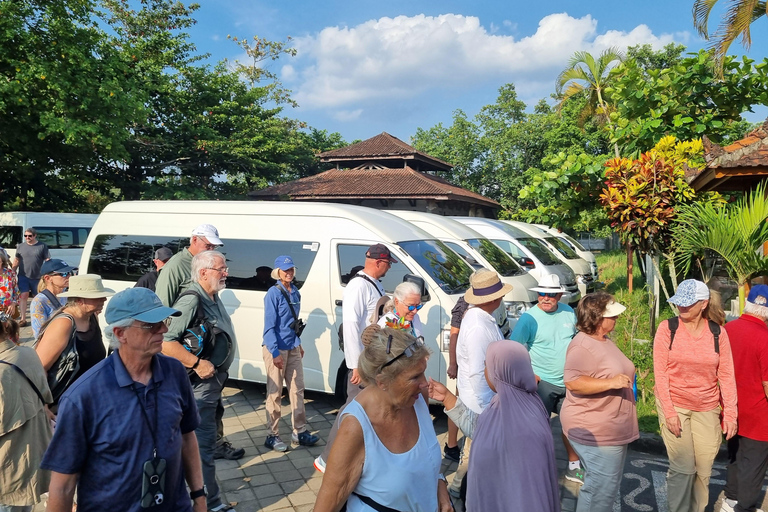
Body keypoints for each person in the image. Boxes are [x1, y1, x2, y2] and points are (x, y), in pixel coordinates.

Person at [40, 287, 206, 512]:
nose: (164, 329)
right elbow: (63, 487)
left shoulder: (175, 372)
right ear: (120, 334)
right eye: (151, 325)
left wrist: (199, 496)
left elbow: (187, 436)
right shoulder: (83, 396)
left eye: (164, 320)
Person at [314, 327, 452, 512]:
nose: (425, 383)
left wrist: (441, 489)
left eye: (423, 372)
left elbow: (425, 461)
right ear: (382, 381)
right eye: (414, 377)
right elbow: (330, 502)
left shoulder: (417, 398)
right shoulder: (356, 426)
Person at [154, 224, 242, 462]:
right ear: (193, 240)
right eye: (208, 244)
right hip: (193, 365)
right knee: (197, 415)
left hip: (212, 370)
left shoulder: (212, 281)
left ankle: (214, 445)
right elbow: (164, 311)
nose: (212, 247)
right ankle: (199, 461)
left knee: (213, 409)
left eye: (215, 245)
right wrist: (193, 361)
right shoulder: (175, 267)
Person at [654, 279, 737, 512]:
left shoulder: (718, 333)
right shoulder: (667, 328)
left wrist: (730, 414)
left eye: (688, 304)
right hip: (675, 403)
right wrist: (669, 413)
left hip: (707, 407)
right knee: (683, 469)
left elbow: (727, 375)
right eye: (679, 302)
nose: (681, 307)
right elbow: (660, 374)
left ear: (703, 304)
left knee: (703, 470)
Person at [163, 251, 237, 512]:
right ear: (203, 272)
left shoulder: (213, 295)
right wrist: (196, 363)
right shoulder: (192, 300)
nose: (226, 272)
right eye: (221, 268)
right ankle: (210, 504)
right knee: (202, 446)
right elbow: (165, 342)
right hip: (200, 386)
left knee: (205, 445)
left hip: (213, 385)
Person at [315, 243, 396, 472]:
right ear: (379, 262)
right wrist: (355, 366)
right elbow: (351, 325)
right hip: (362, 362)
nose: (389, 268)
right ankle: (327, 458)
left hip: (372, 360)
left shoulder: (373, 285)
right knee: (352, 408)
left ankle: (358, 454)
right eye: (388, 264)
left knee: (363, 409)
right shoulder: (358, 286)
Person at [560, 291, 637, 512]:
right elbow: (573, 381)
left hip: (609, 428)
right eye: (611, 316)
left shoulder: (601, 340)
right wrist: (611, 383)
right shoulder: (582, 345)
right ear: (597, 318)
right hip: (598, 430)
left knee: (598, 486)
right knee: (602, 491)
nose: (617, 319)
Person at [511, 273, 583, 484]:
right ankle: (535, 468)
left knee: (572, 427)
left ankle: (574, 467)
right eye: (541, 293)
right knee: (537, 428)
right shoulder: (528, 318)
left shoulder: (569, 312)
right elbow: (514, 350)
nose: (545, 298)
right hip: (542, 385)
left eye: (550, 294)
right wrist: (528, 374)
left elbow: (578, 340)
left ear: (559, 295)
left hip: (568, 382)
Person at [451, 268, 512, 497]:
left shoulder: (481, 318)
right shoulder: (478, 325)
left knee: (473, 448)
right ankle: (464, 489)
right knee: (476, 449)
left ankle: (459, 487)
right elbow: (478, 372)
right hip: (481, 402)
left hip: (482, 399)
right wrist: (489, 408)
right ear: (494, 298)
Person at [262, 255, 318, 452]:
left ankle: (299, 431)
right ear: (277, 272)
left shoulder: (295, 292)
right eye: (285, 270)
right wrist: (275, 352)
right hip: (275, 348)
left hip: (292, 346)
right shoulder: (273, 293)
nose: (289, 273)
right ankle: (272, 435)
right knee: (275, 392)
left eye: (291, 269)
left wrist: (298, 343)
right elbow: (269, 327)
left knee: (297, 389)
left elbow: (292, 323)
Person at [35, 274, 114, 411]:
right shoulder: (63, 324)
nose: (104, 299)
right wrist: (44, 406)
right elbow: (39, 367)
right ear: (79, 300)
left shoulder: (92, 317)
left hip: (87, 401)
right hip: (62, 405)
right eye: (98, 297)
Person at [721, 285, 768, 512]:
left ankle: (730, 500)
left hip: (731, 408)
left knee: (735, 455)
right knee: (754, 463)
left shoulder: (728, 330)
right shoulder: (765, 338)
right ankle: (745, 507)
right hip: (759, 414)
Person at [0, 312, 53, 512]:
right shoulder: (27, 353)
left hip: (8, 474)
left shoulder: (2, 372)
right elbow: (47, 398)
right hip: (30, 465)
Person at [12, 228, 50, 326]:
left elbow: (47, 259)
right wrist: (12, 271)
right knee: (23, 295)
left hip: (38, 277)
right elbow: (16, 260)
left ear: (35, 236)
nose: (27, 238)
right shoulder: (20, 246)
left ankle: (39, 317)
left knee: (37, 297)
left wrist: (49, 271)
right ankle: (23, 319)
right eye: (25, 236)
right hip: (23, 276)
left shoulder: (42, 246)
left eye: (30, 236)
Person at [30, 259, 76, 338]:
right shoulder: (39, 301)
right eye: (64, 274)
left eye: (69, 273)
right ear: (48, 278)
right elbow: (39, 334)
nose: (69, 276)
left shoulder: (68, 295)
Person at [0, 248, 19, 323]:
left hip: (8, 309)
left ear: (2, 262)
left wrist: (13, 303)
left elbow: (16, 292)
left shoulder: (10, 273)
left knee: (9, 332)